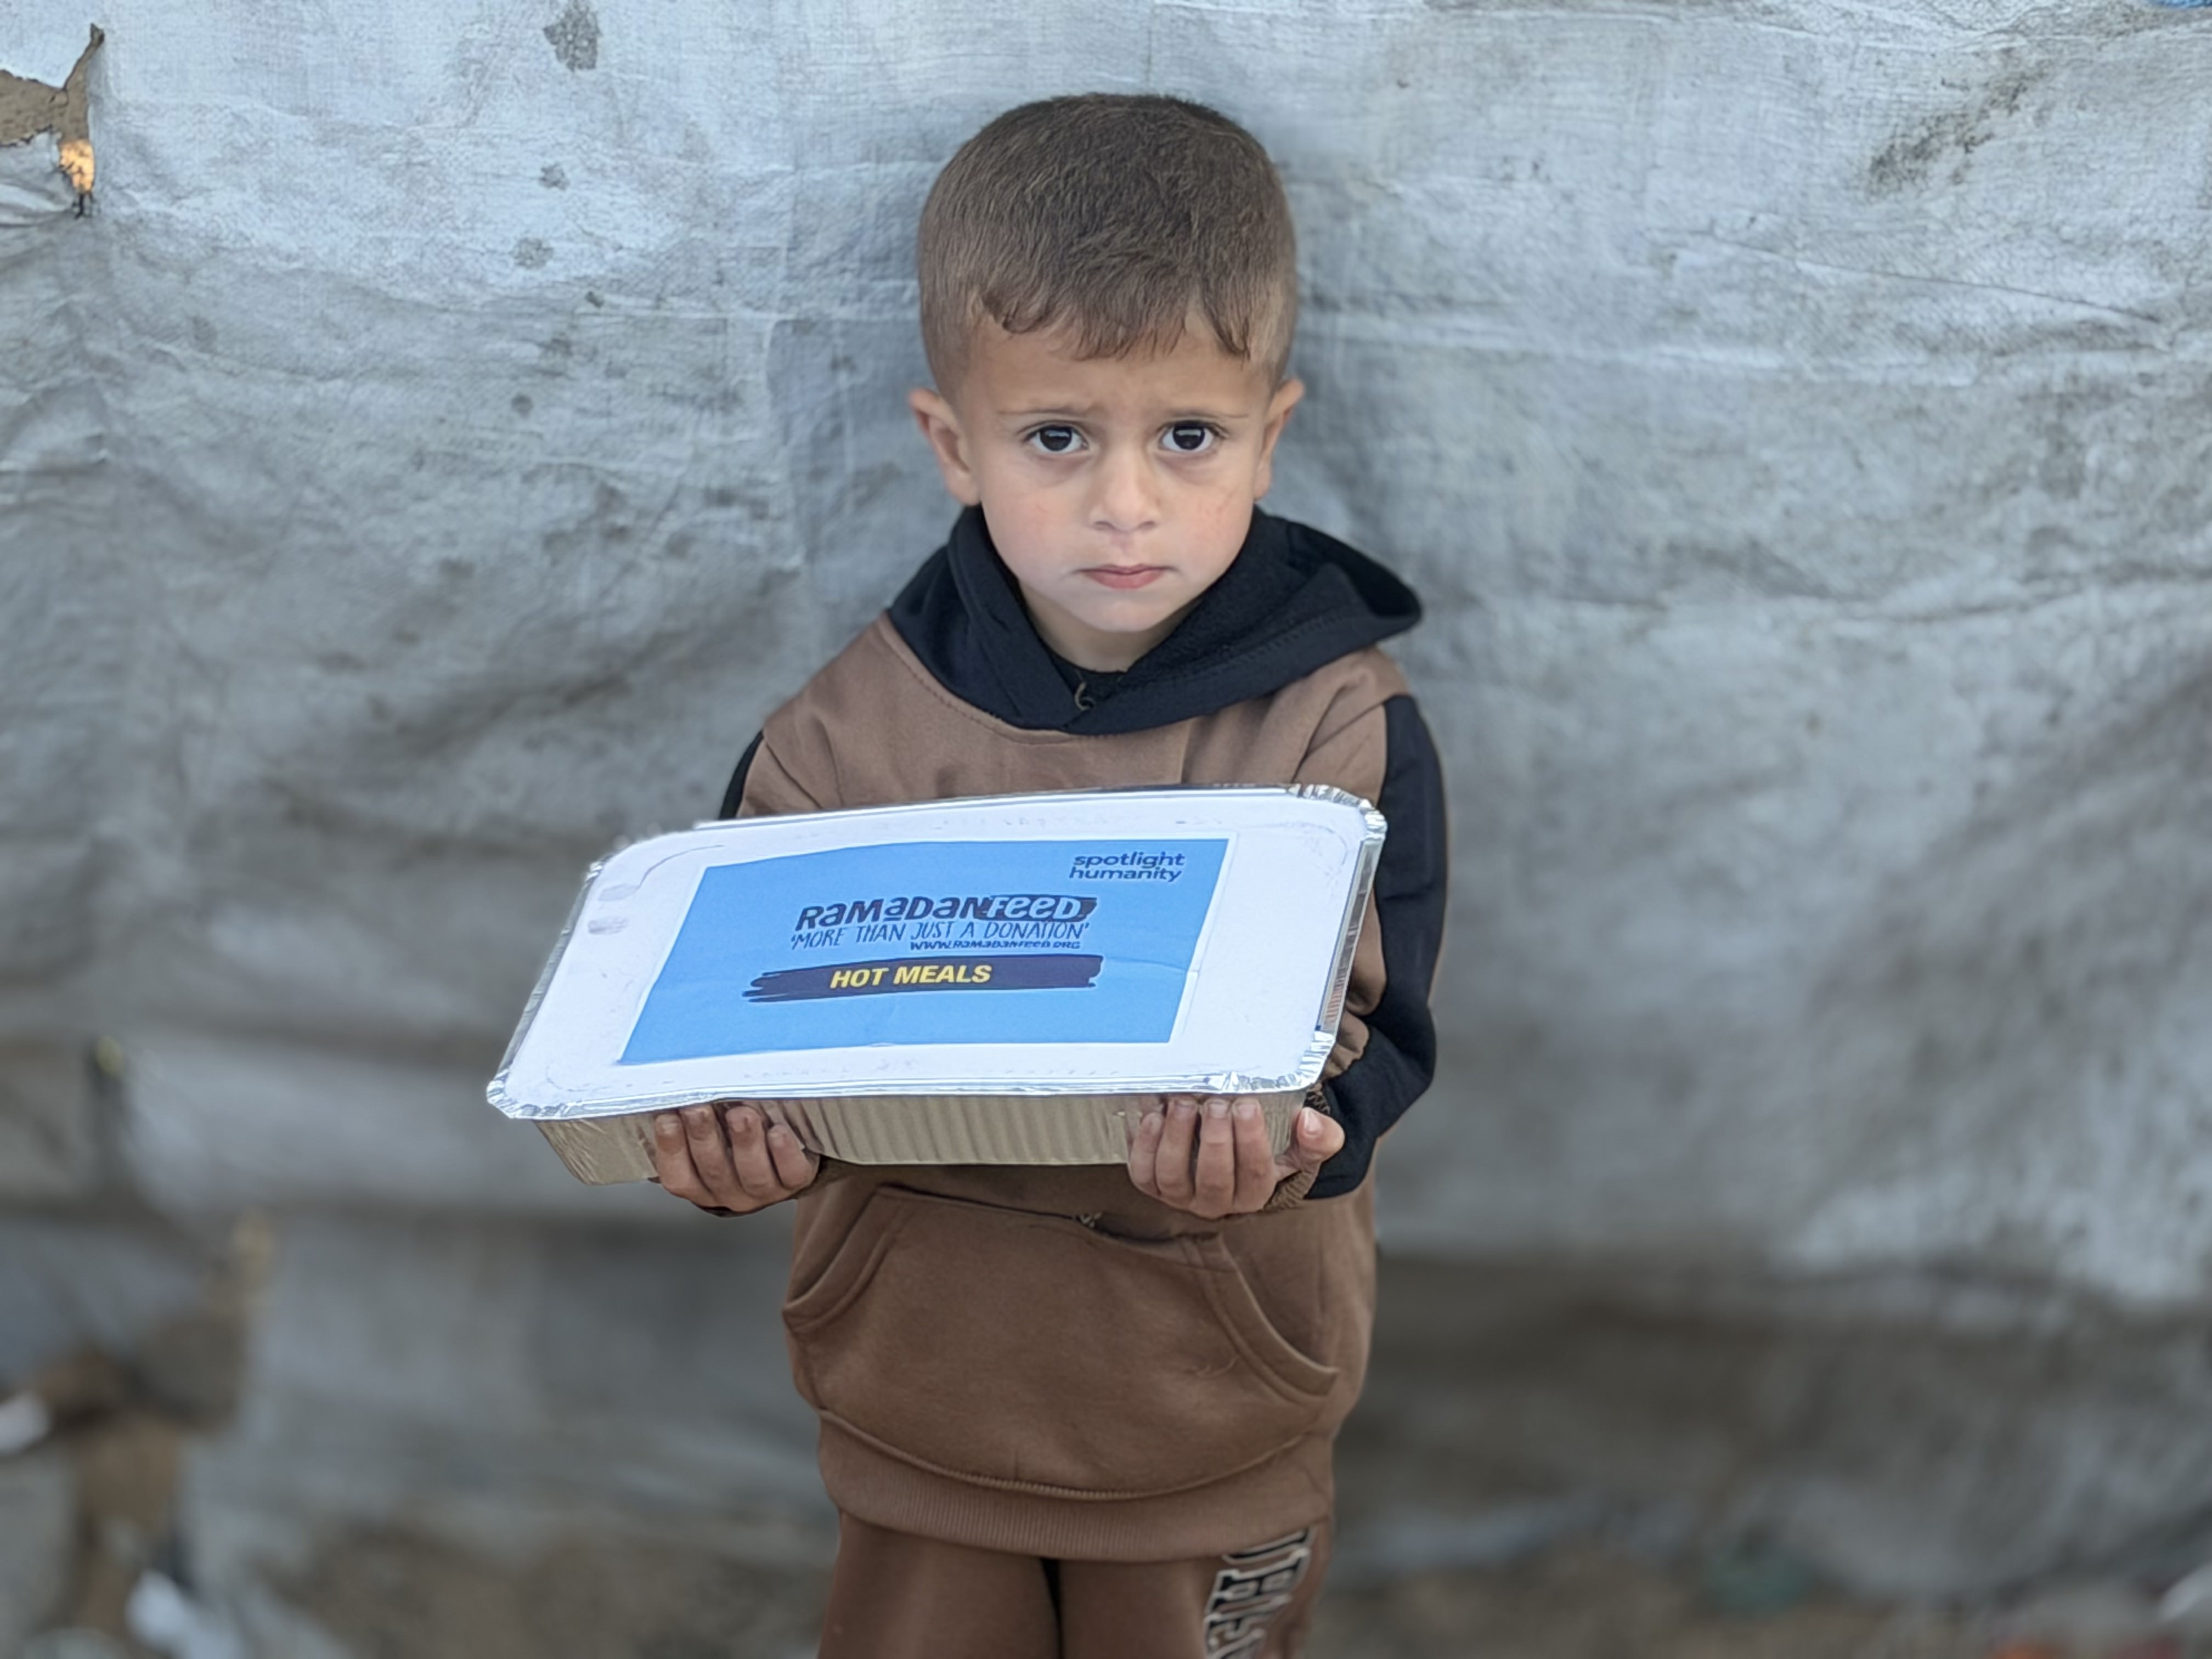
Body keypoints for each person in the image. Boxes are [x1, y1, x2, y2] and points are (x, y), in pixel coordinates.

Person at [647, 92, 1447, 1658]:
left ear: (1271, 433)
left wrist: (1289, 1138)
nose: (1126, 503)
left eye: (1188, 437)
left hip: (1213, 1403)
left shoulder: (1339, 725)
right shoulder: (838, 741)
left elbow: (1381, 1044)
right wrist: (730, 1145)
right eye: (1058, 437)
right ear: (954, 445)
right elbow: (735, 1046)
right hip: (922, 1395)